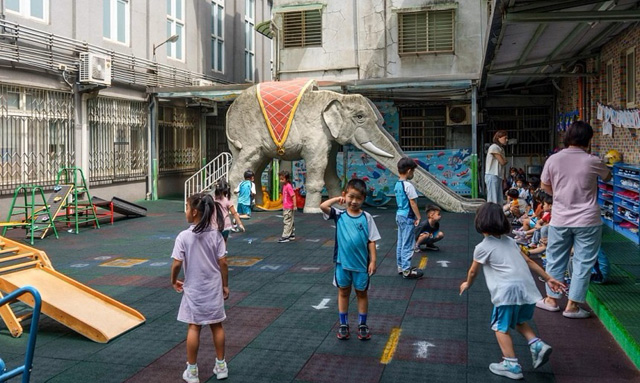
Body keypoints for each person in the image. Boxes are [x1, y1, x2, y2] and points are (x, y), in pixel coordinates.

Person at [460, 202, 565, 380]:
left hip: (507, 291)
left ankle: (511, 364)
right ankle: (537, 344)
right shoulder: (510, 242)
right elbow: (530, 262)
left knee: (499, 327)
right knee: (517, 320)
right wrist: (548, 278)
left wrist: (467, 283)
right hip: (526, 289)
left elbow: (473, 271)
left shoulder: (482, 247)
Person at [536, 121, 612, 319]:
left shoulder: (553, 159)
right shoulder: (592, 160)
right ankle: (572, 306)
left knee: (555, 258)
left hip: (560, 218)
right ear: (588, 139)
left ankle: (551, 300)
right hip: (588, 220)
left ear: (567, 136)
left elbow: (544, 185)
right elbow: (607, 176)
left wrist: (559, 195)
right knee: (582, 262)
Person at [171, 193, 230, 382]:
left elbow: (177, 264)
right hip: (213, 287)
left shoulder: (184, 236)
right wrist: (225, 285)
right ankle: (221, 366)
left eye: (187, 208)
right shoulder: (216, 235)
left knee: (194, 327)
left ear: (194, 212)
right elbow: (223, 263)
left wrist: (173, 280)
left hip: (194, 288)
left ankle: (192, 371)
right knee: (217, 325)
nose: (186, 212)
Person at [320, 178, 380, 341]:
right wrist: (337, 199)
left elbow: (371, 240)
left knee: (362, 293)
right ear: (345, 195)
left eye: (358, 198)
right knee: (343, 292)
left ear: (363, 199)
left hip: (361, 266)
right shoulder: (339, 215)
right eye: (351, 197)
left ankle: (362, 324)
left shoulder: (367, 217)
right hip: (342, 265)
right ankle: (343, 324)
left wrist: (373, 261)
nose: (354, 201)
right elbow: (323, 206)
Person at [394, 157, 423, 279]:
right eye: (413, 172)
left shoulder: (397, 184)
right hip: (407, 216)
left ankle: (401, 266)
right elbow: (413, 202)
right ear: (409, 171)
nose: (413, 174)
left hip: (399, 215)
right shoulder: (408, 185)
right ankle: (406, 270)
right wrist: (419, 216)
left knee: (401, 242)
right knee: (407, 243)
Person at [213, 180, 245, 245]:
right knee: (224, 242)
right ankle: (223, 252)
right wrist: (240, 224)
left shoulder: (213, 200)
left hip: (215, 224)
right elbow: (234, 213)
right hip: (225, 225)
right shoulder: (227, 201)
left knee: (215, 242)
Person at [485, 130, 509, 204]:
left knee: (498, 199)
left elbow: (503, 164)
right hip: (492, 175)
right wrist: (505, 161)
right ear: (498, 138)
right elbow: (502, 162)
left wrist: (504, 179)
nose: (506, 140)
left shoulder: (501, 149)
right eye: (505, 138)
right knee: (493, 199)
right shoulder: (494, 147)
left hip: (498, 175)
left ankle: (497, 214)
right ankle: (492, 214)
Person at [277, 170, 296, 243]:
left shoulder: (288, 186)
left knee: (287, 221)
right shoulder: (285, 186)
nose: (281, 180)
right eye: (280, 179)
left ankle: (285, 236)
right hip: (286, 205)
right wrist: (282, 201)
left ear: (287, 179)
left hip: (288, 206)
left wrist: (295, 205)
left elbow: (293, 195)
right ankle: (291, 234)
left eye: (282, 179)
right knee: (290, 220)